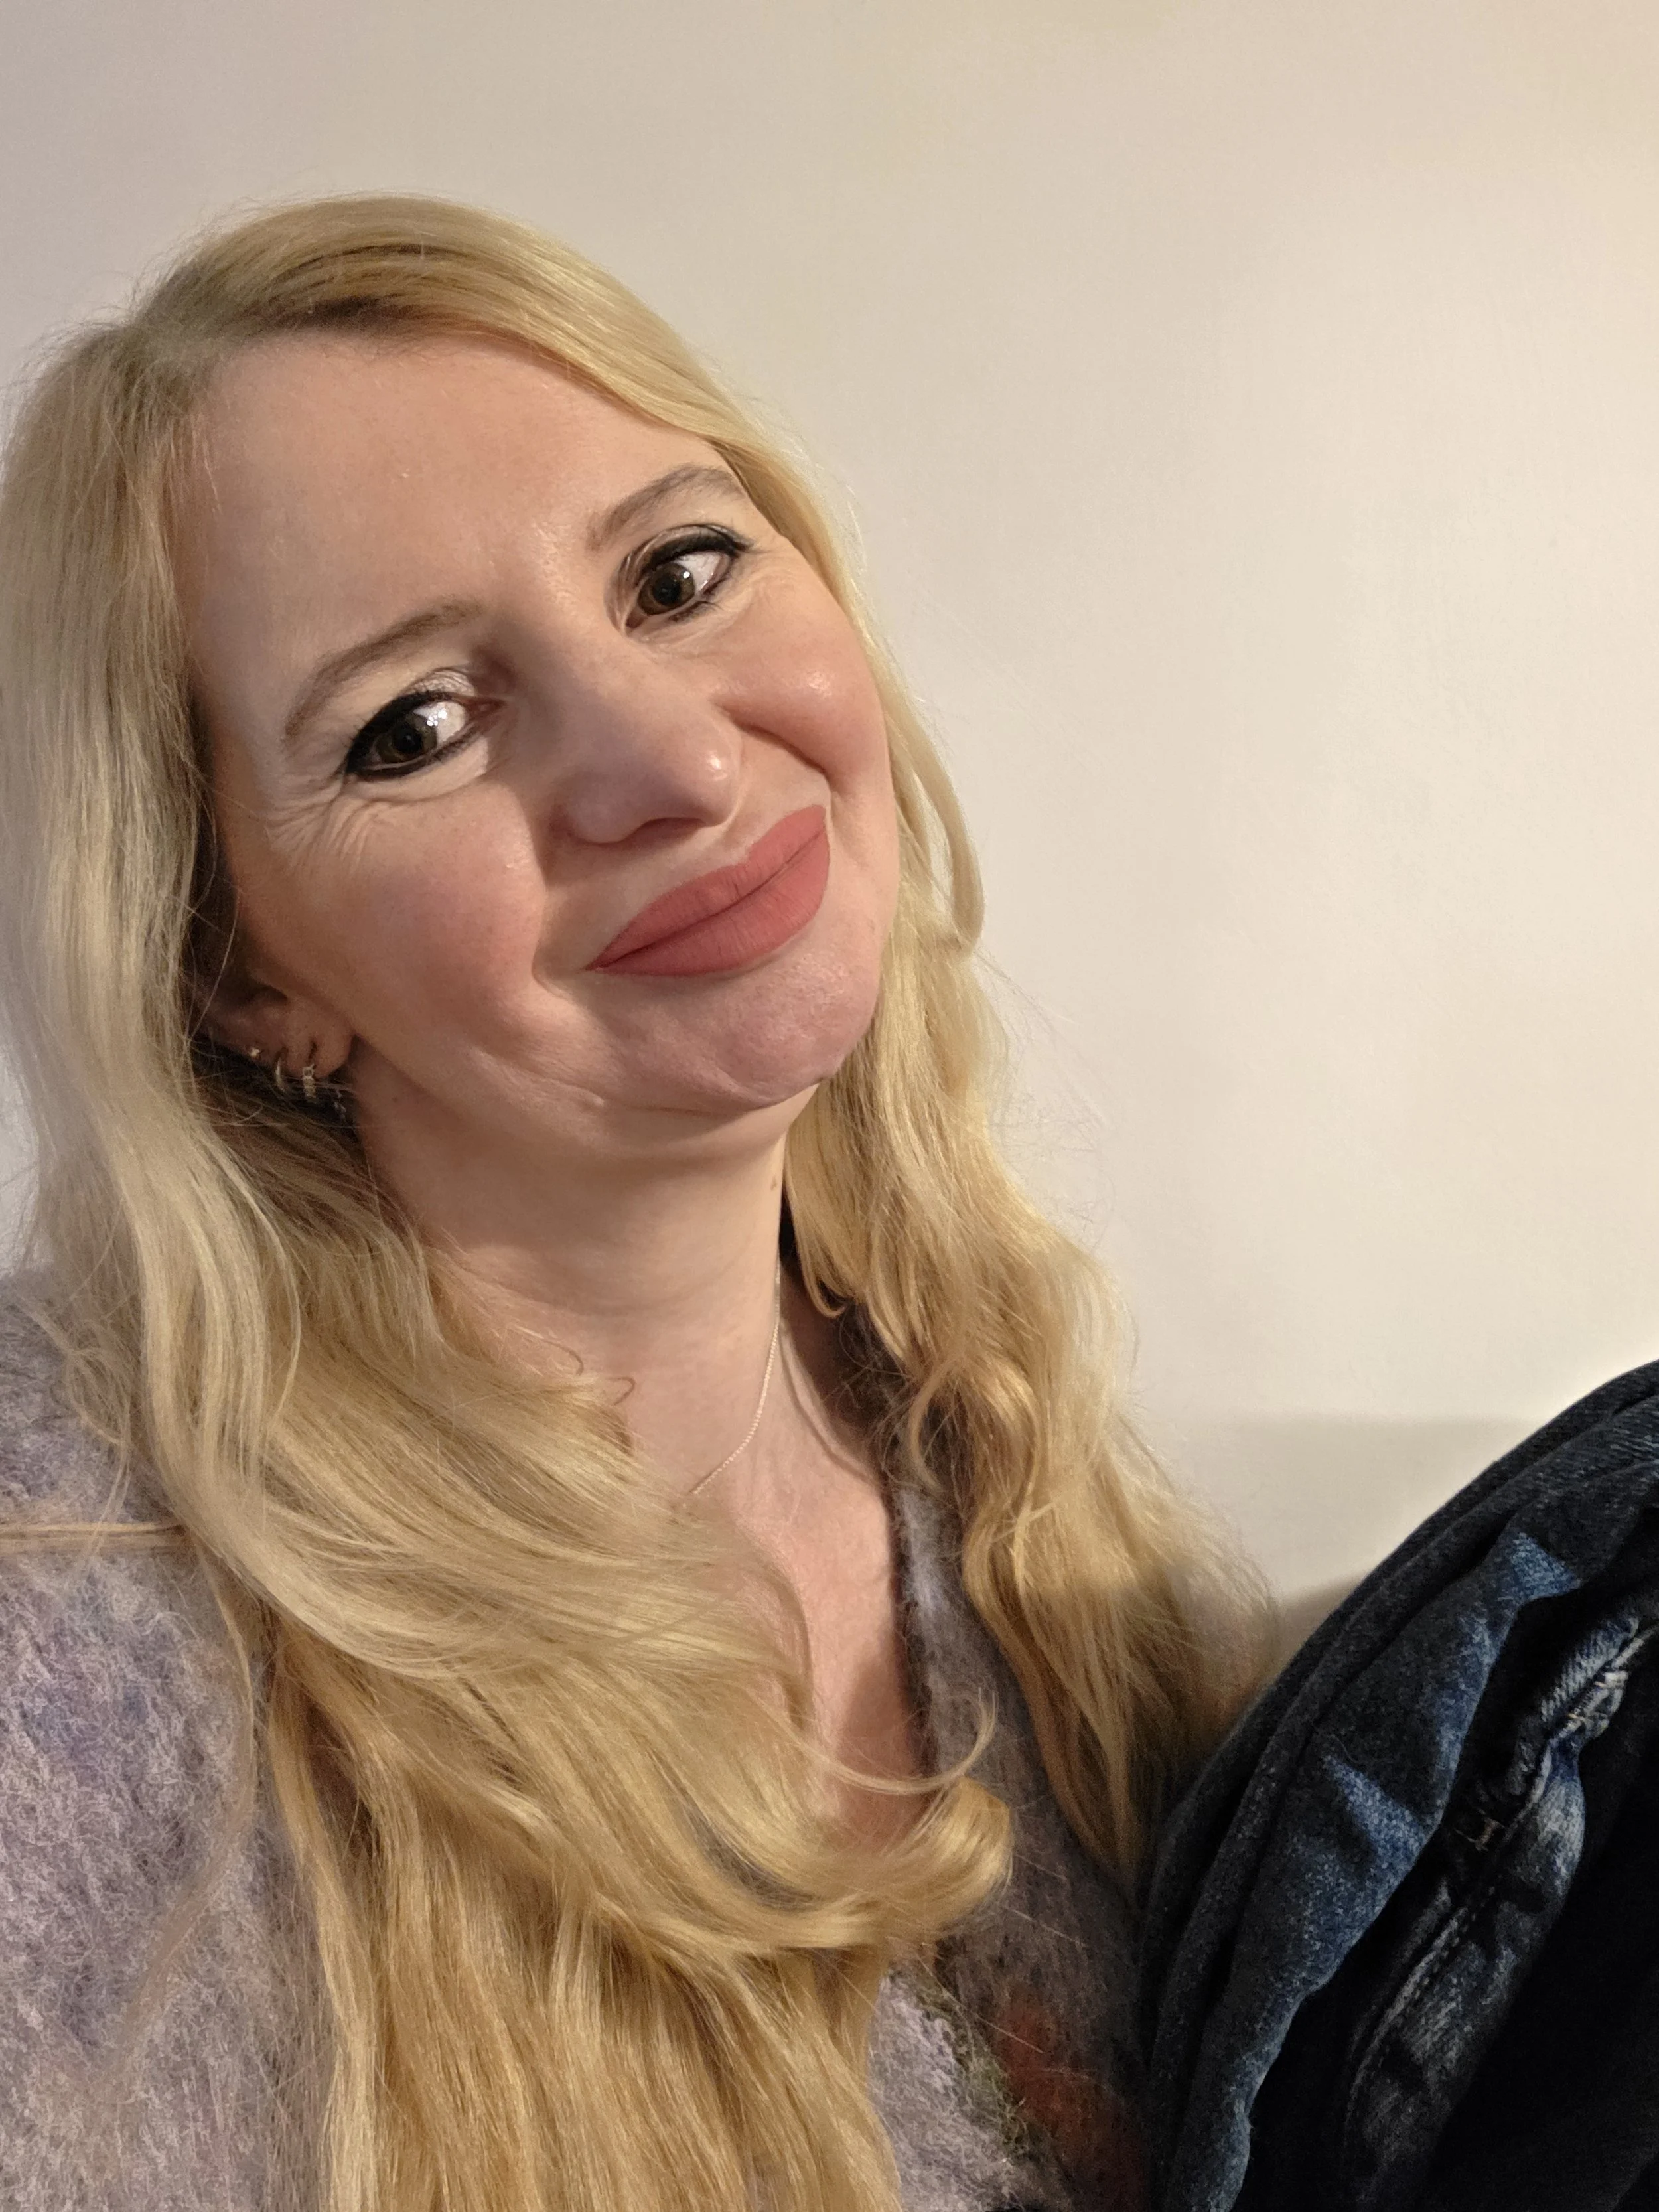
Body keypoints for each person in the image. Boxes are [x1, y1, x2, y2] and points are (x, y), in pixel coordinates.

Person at [0, 195, 1262, 2212]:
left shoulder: (966, 1414)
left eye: (679, 572)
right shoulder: (66, 1650)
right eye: (415, 724)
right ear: (239, 970)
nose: (668, 758)